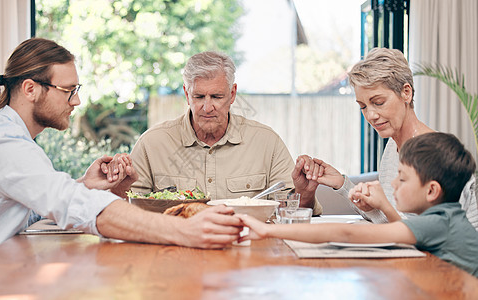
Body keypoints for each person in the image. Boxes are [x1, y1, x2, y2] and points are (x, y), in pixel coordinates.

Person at [0, 38, 242, 289]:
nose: (77, 101)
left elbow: (30, 205)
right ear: (30, 89)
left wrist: (84, 185)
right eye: (68, 91)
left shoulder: (7, 136)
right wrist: (186, 231)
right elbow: (76, 207)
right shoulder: (2, 143)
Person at [240, 132, 478, 277]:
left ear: (432, 190)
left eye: (402, 178)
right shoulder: (446, 218)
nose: (393, 184)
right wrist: (384, 206)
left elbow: (346, 233)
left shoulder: (437, 223)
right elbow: (403, 233)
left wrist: (267, 229)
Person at [294, 47, 478, 229]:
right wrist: (342, 184)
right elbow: (393, 220)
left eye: (378, 102)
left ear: (406, 92)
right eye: (363, 106)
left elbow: (439, 236)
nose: (371, 115)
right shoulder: (393, 147)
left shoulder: (437, 155)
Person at [130, 51, 322, 215]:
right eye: (198, 97)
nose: (207, 107)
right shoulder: (152, 143)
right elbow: (126, 209)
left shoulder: (266, 142)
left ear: (232, 94)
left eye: (216, 96)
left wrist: (305, 194)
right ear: (187, 95)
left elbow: (290, 213)